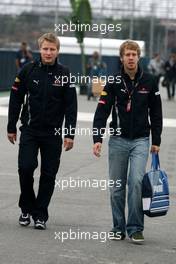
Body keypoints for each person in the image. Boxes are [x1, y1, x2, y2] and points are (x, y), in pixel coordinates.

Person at [93, 40, 162, 243]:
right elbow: (101, 111)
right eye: (127, 54)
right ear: (121, 57)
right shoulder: (113, 81)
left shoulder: (149, 81)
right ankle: (118, 227)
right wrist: (97, 138)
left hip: (141, 140)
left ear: (138, 57)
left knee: (136, 183)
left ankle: (135, 228)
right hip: (117, 141)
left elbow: (156, 113)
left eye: (134, 54)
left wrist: (156, 140)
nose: (131, 57)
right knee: (117, 187)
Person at [7, 33, 77, 230]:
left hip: (53, 134)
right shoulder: (27, 70)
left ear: (57, 51)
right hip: (30, 130)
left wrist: (70, 133)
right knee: (26, 168)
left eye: (52, 49)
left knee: (49, 174)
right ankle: (26, 207)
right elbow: (15, 100)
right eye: (45, 49)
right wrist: (11, 126)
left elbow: (71, 107)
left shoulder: (65, 73)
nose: (48, 52)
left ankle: (40, 214)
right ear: (40, 49)